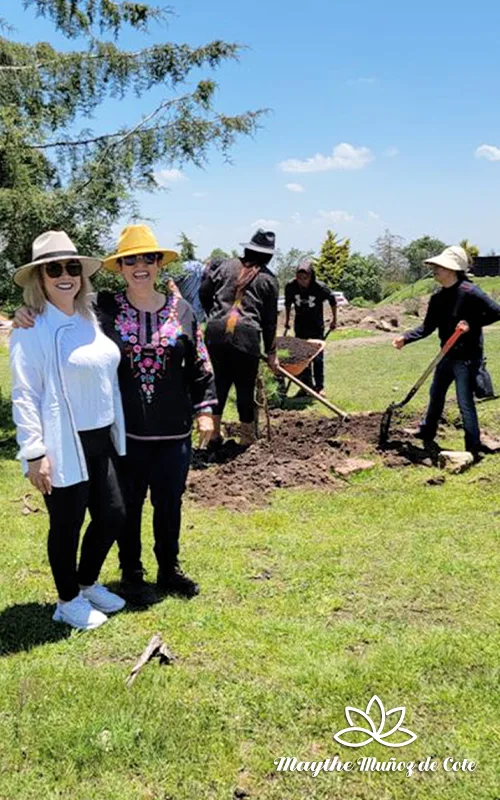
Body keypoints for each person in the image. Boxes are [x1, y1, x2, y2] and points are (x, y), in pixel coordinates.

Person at [14, 224, 216, 607]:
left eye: (149, 258)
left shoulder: (183, 311)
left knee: (168, 503)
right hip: (127, 434)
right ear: (119, 267)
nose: (140, 266)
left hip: (173, 431)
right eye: (130, 260)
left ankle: (168, 569)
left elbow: (200, 364)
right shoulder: (104, 310)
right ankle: (131, 573)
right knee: (126, 507)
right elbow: (55, 320)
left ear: (160, 265)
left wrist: (205, 410)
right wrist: (25, 313)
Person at [10, 231, 127, 631]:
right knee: (67, 524)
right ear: (39, 278)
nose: (65, 275)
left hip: (100, 438)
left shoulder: (90, 316)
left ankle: (86, 582)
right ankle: (67, 601)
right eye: (54, 268)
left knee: (113, 515)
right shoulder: (31, 328)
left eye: (72, 267)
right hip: (64, 442)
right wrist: (34, 453)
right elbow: (25, 394)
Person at [393, 245, 500, 458]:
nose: (435, 270)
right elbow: (427, 328)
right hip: (446, 355)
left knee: (464, 402)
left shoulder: (470, 292)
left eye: (439, 267)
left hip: (467, 359)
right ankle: (427, 431)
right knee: (436, 394)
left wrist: (471, 323)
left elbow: (496, 312)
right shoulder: (438, 298)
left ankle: (472, 446)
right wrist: (406, 338)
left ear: (452, 269)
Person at [200, 229, 279, 446]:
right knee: (245, 387)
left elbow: (204, 292)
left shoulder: (225, 266)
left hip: (215, 333)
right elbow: (269, 321)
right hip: (246, 336)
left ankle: (213, 436)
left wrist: (214, 316)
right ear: (269, 255)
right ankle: (247, 439)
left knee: (219, 383)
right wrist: (272, 353)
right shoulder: (268, 279)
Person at [284, 259, 337, 396]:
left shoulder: (320, 288)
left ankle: (319, 387)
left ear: (311, 276)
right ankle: (305, 387)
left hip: (316, 326)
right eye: (299, 277)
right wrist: (287, 320)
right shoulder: (291, 286)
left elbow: (333, 301)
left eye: (305, 278)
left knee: (317, 357)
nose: (302, 281)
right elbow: (288, 303)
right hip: (300, 325)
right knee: (302, 357)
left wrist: (334, 319)